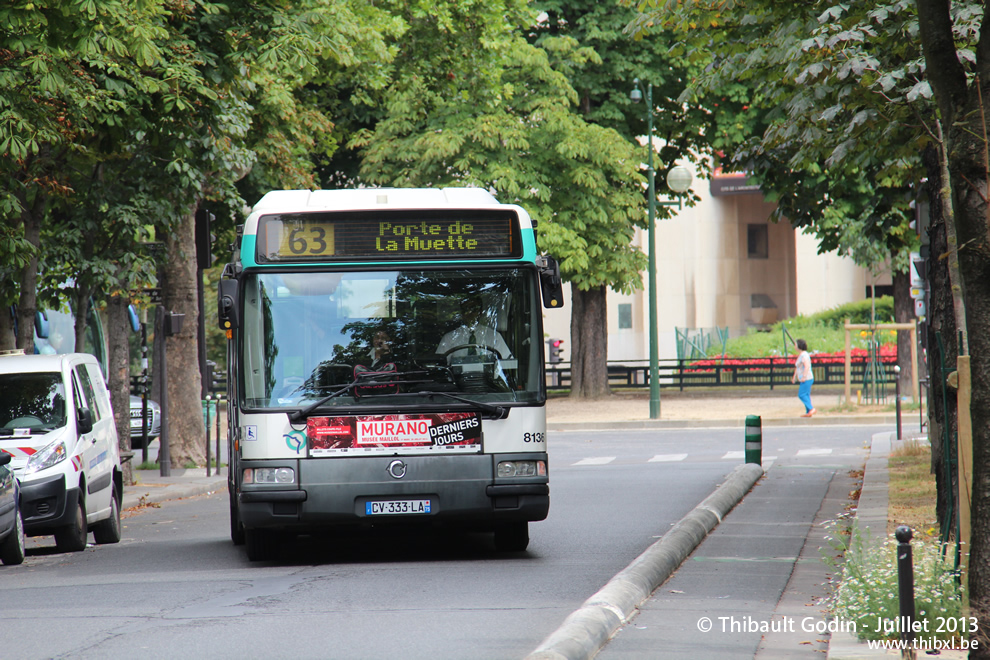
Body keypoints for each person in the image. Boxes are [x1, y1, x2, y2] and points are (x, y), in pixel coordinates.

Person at [436, 297, 511, 360]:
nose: (470, 312)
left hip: (488, 377)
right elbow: (440, 365)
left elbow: (507, 363)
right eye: (466, 309)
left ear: (480, 312)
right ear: (462, 313)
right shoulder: (449, 338)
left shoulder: (494, 336)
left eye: (473, 309)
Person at [792, 338, 815, 417]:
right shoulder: (802, 355)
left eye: (795, 345)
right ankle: (808, 411)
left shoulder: (804, 355)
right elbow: (798, 367)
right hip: (804, 378)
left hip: (806, 378)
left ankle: (811, 408)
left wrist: (804, 376)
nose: (794, 346)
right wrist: (794, 376)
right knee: (806, 394)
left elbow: (807, 366)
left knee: (801, 394)